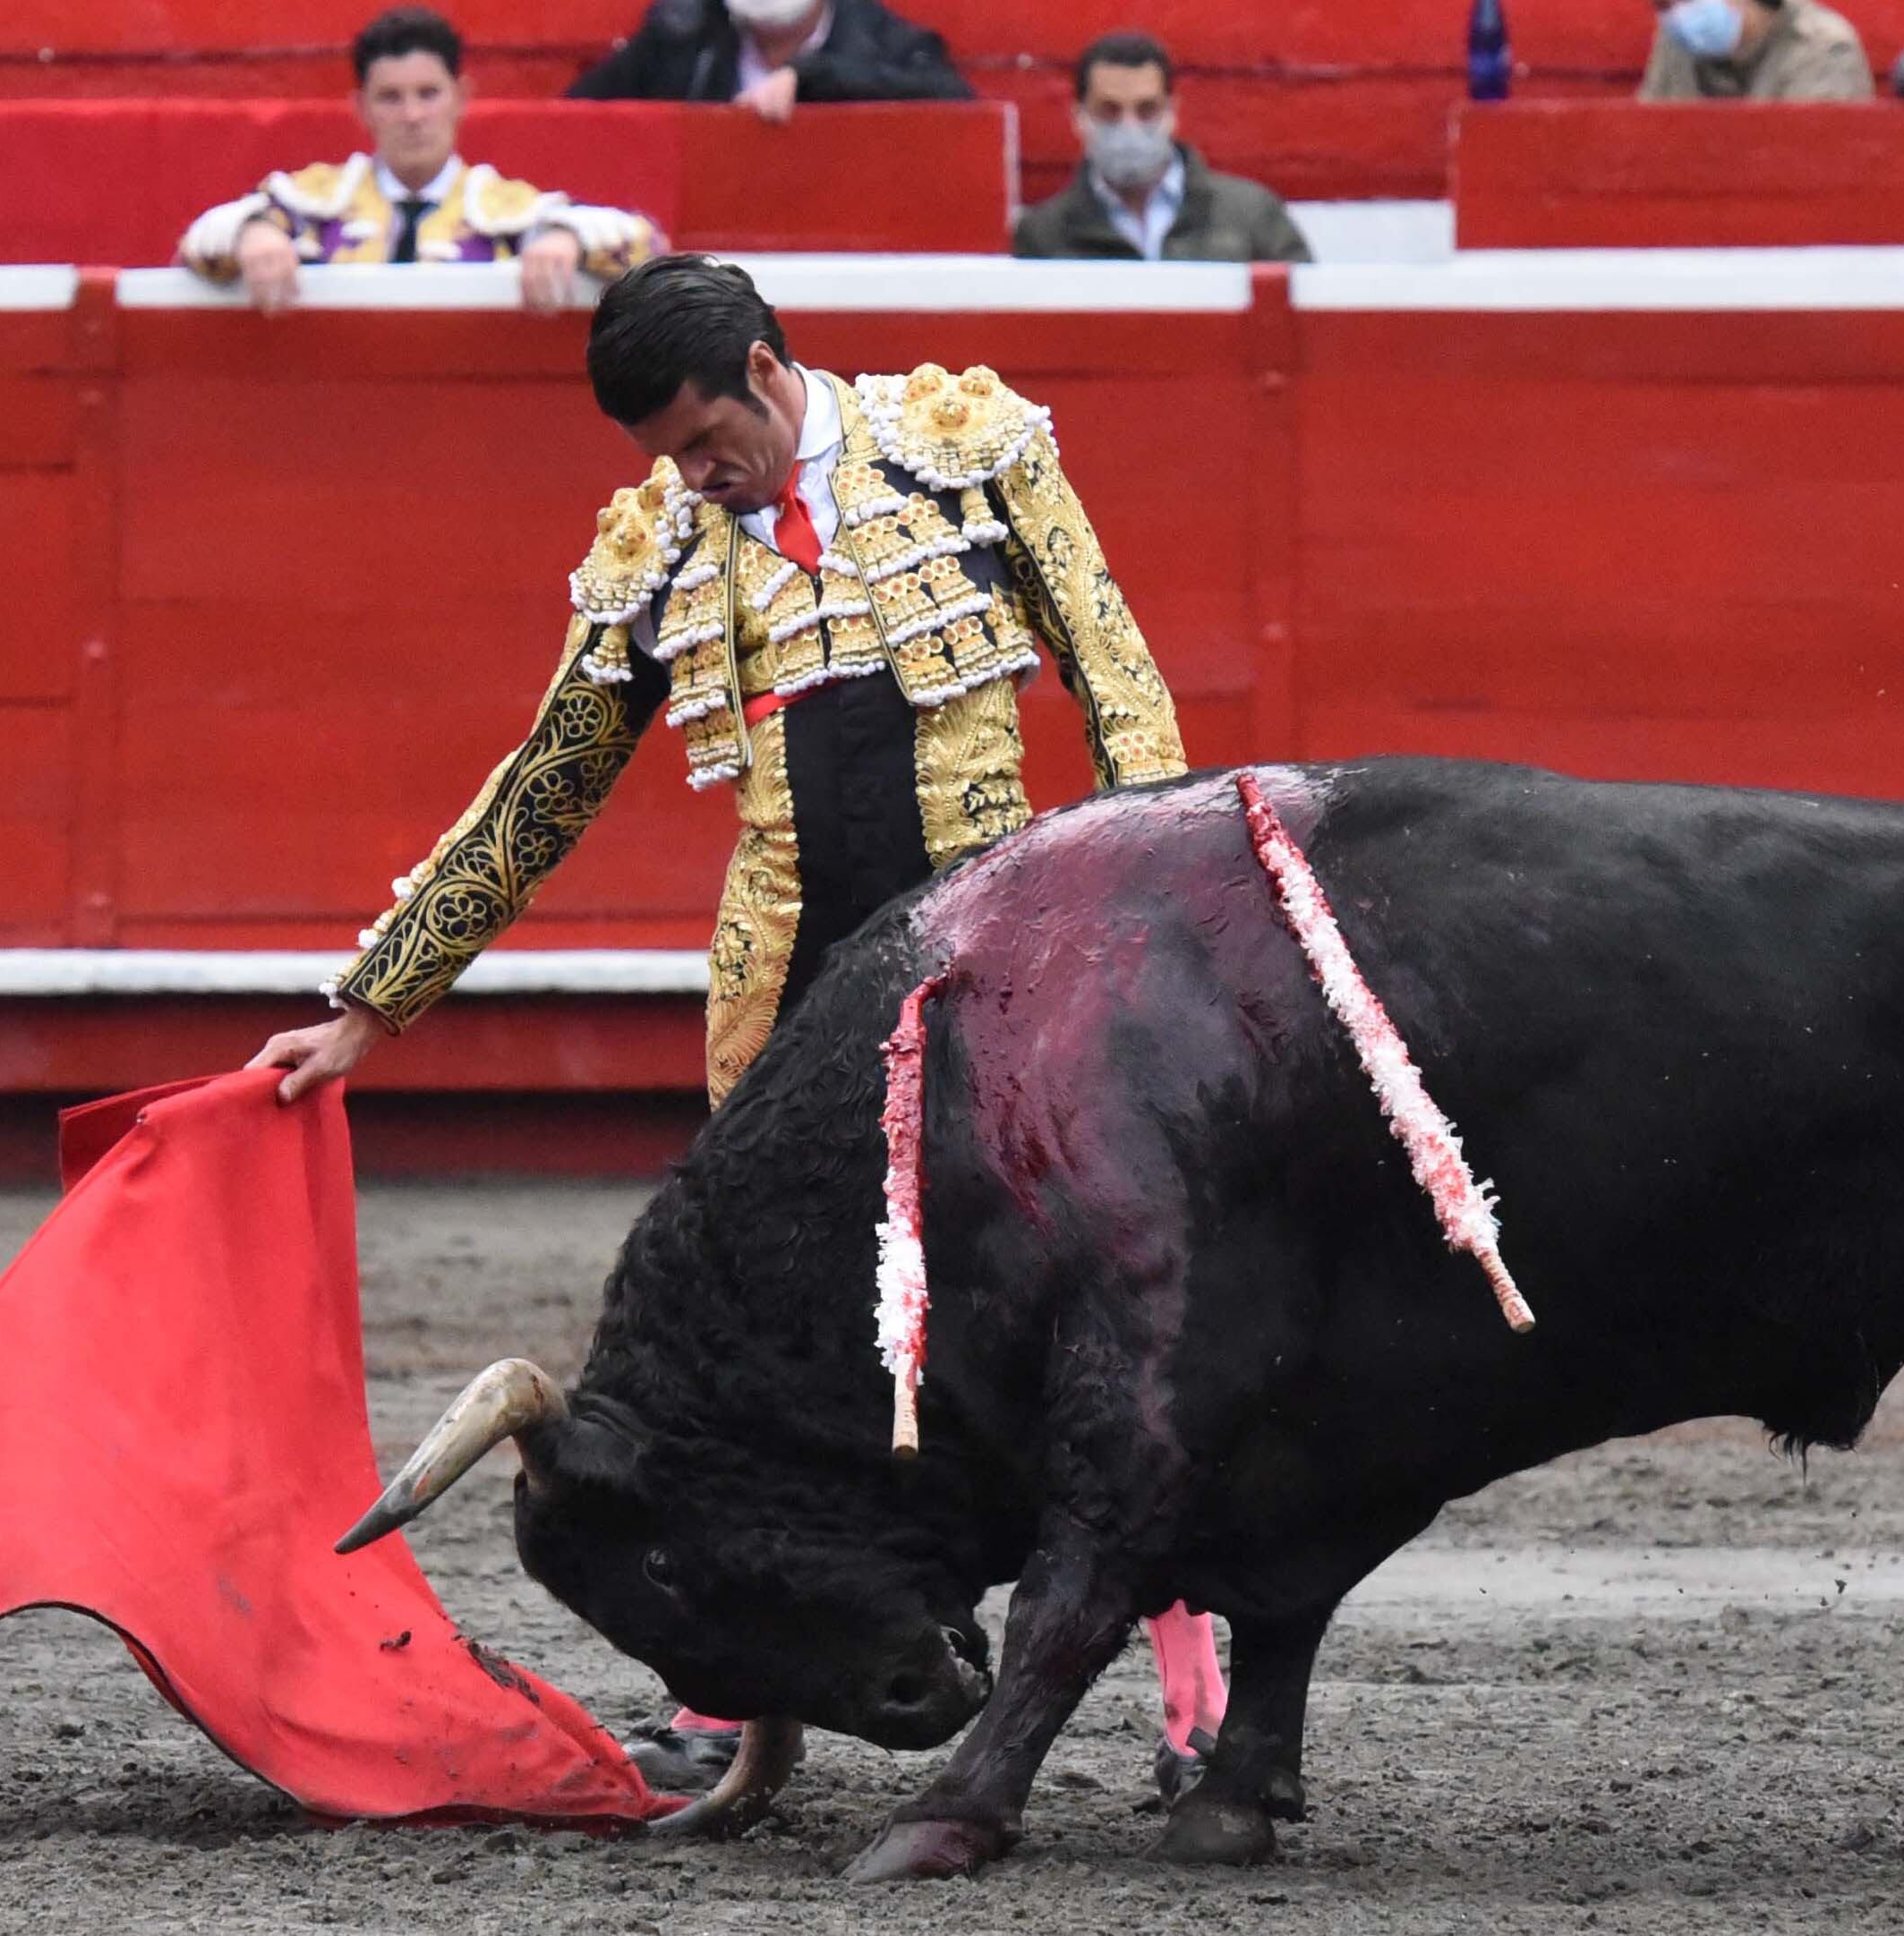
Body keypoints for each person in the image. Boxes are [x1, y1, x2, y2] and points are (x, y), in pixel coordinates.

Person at [247, 253, 1212, 1795]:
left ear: (769, 374)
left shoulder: (967, 447)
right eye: (668, 459)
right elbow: (546, 782)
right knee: (759, 1367)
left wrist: (1136, 920)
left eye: (707, 441)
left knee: (1092, 1320)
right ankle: (725, 1694)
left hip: (999, 973)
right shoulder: (656, 548)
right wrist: (375, 1004)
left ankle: (1194, 1696)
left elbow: (1120, 686)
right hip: (785, 1014)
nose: (694, 476)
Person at [178, 8, 659, 318]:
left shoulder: (506, 210)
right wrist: (254, 231)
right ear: (361, 107)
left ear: (461, 99)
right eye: (390, 97)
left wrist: (567, 238)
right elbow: (199, 243)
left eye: (428, 94)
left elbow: (645, 246)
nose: (412, 116)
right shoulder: (308, 203)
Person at [1012, 32, 1315, 261]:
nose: (1129, 126)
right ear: (1079, 117)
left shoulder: (1252, 215)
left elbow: (1310, 326)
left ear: (1172, 112)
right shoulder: (1042, 236)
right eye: (1109, 110)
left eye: (1146, 110)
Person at [569, 0, 971, 120]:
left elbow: (960, 109)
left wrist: (814, 78)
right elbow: (575, 120)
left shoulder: (885, 41)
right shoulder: (680, 37)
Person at [1640, 0, 1879, 100]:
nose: (1678, 14)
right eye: (1664, 4)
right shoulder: (1677, 39)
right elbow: (1647, 143)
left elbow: (1809, 167)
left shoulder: (1824, 49)